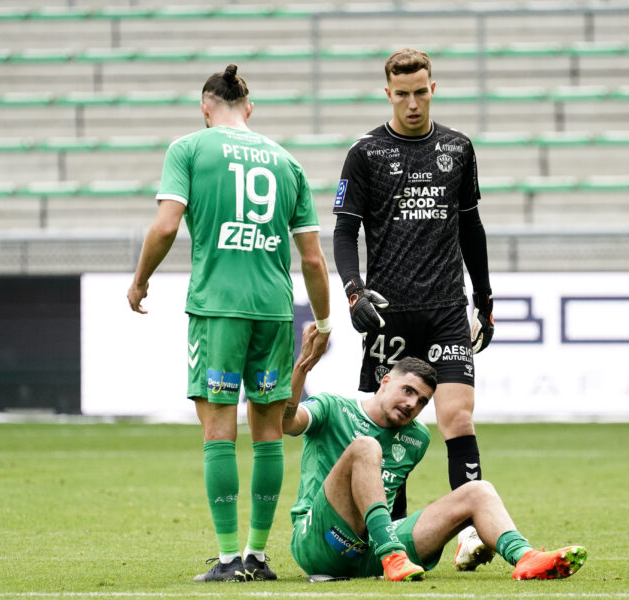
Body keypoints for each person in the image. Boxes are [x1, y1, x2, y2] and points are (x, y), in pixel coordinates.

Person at [126, 64, 331, 583]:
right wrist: (325, 321)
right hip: (274, 309)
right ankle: (257, 556)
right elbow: (311, 258)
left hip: (218, 307)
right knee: (268, 434)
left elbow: (166, 226)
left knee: (218, 432)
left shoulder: (189, 149)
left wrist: (140, 280)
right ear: (250, 108)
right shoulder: (287, 162)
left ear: (205, 107)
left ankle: (226, 559)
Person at [331, 47, 495, 569]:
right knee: (389, 428)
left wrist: (484, 299)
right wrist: (354, 292)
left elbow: (470, 226)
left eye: (421, 92)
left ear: (432, 88)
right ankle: (395, 540)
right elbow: (345, 230)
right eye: (402, 94)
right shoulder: (365, 153)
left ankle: (469, 533)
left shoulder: (458, 147)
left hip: (446, 306)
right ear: (388, 93)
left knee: (458, 416)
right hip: (389, 312)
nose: (413, 103)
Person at [283, 324, 588, 582]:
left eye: (422, 401)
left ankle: (526, 557)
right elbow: (287, 423)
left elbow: (387, 496)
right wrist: (302, 367)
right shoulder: (332, 408)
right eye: (408, 390)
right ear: (385, 382)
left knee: (478, 490)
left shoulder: (416, 437)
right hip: (319, 542)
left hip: (370, 550)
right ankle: (392, 555)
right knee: (366, 446)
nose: (412, 404)